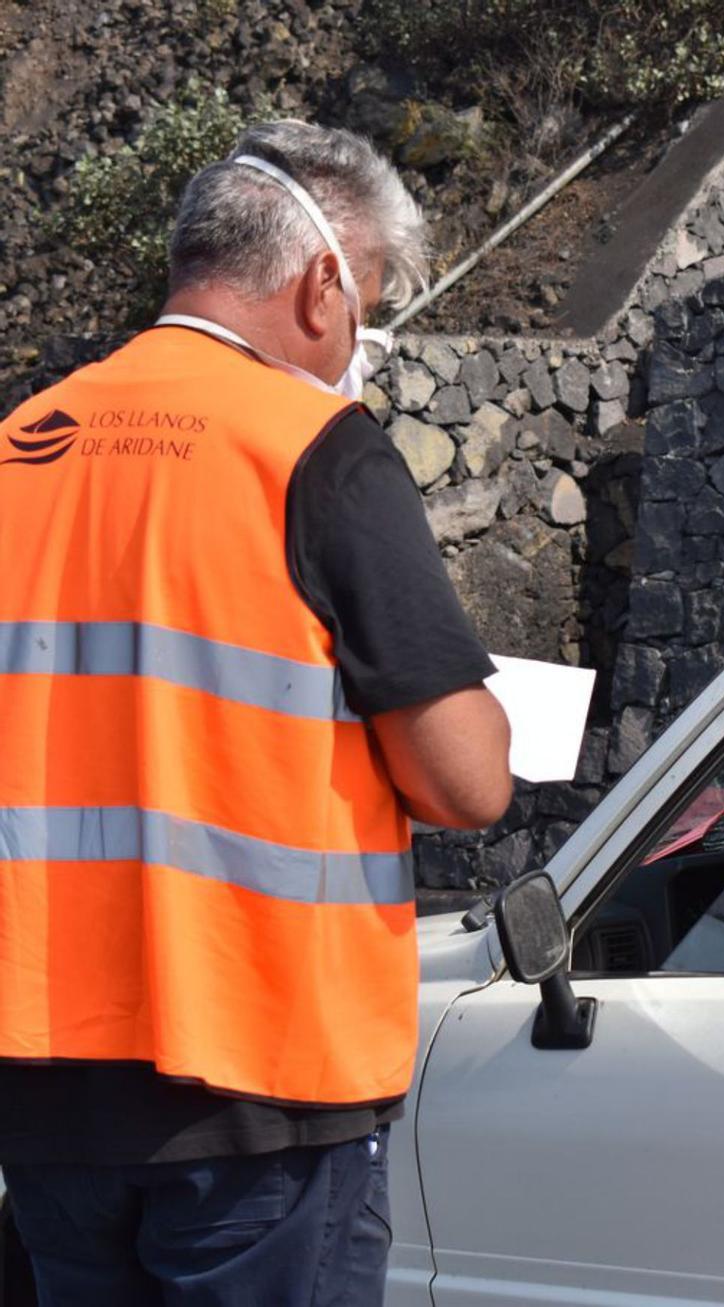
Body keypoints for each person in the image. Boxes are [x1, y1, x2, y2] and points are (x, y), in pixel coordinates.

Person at [0, 120, 513, 1304]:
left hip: (43, 1083)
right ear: (321, 281)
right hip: (262, 1081)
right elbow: (466, 779)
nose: (358, 346)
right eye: (369, 307)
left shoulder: (21, 446)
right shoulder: (310, 450)